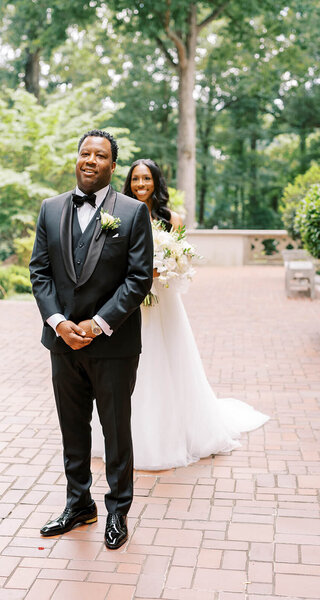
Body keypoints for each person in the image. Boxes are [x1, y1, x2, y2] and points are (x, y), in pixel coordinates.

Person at [92, 158, 269, 470]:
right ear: (129, 182)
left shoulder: (172, 218)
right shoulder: (116, 214)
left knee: (162, 361)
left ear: (156, 182)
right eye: (135, 179)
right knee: (127, 367)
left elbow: (182, 262)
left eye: (146, 178)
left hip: (161, 302)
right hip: (126, 303)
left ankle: (167, 435)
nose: (140, 185)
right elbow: (107, 256)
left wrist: (163, 271)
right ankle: (124, 434)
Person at [29, 132, 153, 549]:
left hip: (113, 345)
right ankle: (78, 503)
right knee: (72, 428)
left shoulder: (133, 213)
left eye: (100, 156)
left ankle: (118, 511)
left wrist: (98, 324)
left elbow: (138, 279)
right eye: (85, 153)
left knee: (116, 429)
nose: (90, 160)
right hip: (62, 341)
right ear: (76, 159)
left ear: (113, 167)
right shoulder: (49, 209)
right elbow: (39, 272)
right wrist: (59, 322)